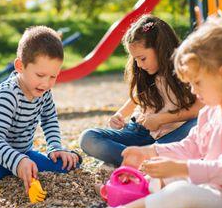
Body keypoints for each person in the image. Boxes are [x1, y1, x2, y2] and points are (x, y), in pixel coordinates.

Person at [64, 19, 222, 208]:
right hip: (214, 185)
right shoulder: (212, 109)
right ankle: (128, 201)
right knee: (158, 178)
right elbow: (191, 145)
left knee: (179, 192)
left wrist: (180, 168)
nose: (192, 91)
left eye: (197, 83)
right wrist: (150, 152)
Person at [0, 26, 80, 196]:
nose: (46, 83)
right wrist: (18, 161)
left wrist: (55, 147)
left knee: (67, 164)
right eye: (40, 75)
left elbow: (49, 119)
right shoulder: (8, 94)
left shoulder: (43, 91)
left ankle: (21, 167)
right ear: (20, 66)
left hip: (23, 154)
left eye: (53, 77)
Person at [79, 15, 202, 167]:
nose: (139, 64)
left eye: (142, 58)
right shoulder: (146, 71)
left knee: (199, 124)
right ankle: (145, 160)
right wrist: (120, 114)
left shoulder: (186, 68)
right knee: (89, 138)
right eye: (135, 59)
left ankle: (132, 159)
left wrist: (161, 119)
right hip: (138, 132)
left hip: (171, 136)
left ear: (160, 49)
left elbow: (200, 108)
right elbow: (138, 96)